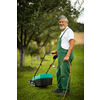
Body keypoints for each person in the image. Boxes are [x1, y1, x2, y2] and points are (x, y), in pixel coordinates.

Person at [51, 15, 74, 97]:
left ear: (66, 22)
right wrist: (56, 51)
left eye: (62, 22)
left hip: (65, 55)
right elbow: (64, 44)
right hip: (61, 56)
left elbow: (72, 44)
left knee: (64, 74)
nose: (61, 23)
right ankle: (60, 88)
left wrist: (67, 55)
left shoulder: (69, 31)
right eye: (60, 22)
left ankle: (66, 91)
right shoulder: (62, 32)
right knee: (59, 73)